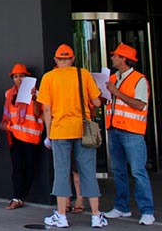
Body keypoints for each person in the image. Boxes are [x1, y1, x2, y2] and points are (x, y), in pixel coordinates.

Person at [38, 44, 106, 229]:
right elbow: (97, 101)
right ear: (73, 58)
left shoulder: (49, 78)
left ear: (56, 60)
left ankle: (61, 216)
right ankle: (95, 215)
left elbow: (46, 108)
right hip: (82, 130)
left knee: (61, 172)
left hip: (60, 131)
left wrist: (49, 134)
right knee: (87, 172)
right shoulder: (83, 74)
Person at [103, 43, 155, 226]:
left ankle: (147, 211)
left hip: (132, 132)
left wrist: (116, 92)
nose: (112, 58)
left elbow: (141, 105)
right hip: (114, 129)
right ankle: (122, 207)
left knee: (138, 171)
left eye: (115, 56)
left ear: (124, 58)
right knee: (118, 171)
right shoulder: (112, 77)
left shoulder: (139, 79)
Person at [0, 63, 43, 210]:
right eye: (16, 76)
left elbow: (39, 113)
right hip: (15, 136)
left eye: (21, 76)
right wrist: (4, 124)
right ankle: (17, 197)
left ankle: (21, 195)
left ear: (27, 77)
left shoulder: (36, 93)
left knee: (30, 168)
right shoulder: (9, 94)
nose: (18, 79)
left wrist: (35, 97)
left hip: (31, 137)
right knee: (17, 168)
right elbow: (6, 114)